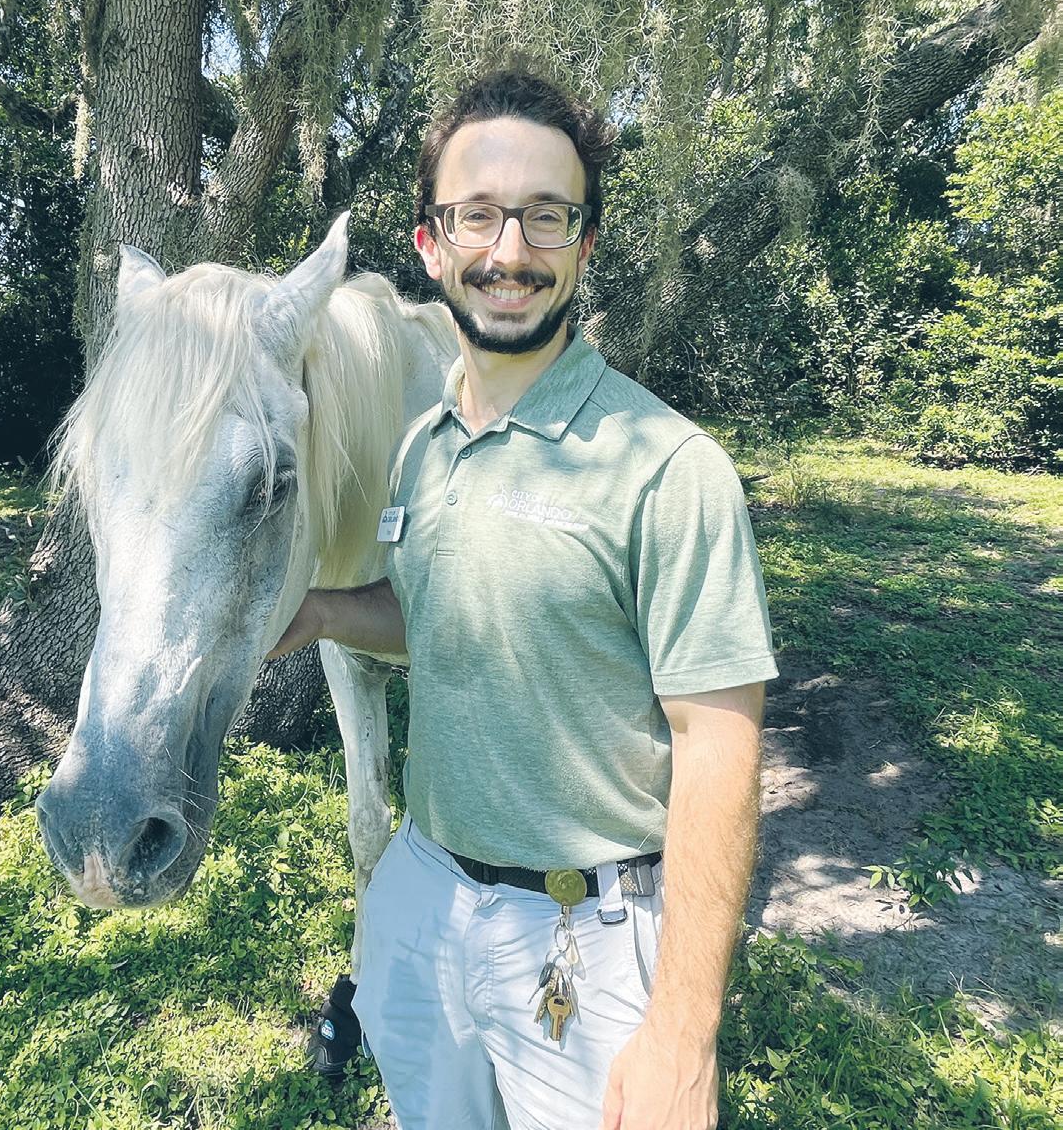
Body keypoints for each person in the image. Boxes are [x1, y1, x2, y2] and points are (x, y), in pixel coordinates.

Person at [270, 69, 777, 1130]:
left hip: (583, 927)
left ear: (585, 244)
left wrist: (683, 1033)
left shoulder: (668, 468)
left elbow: (719, 750)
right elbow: (436, 613)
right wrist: (319, 612)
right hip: (421, 891)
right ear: (430, 244)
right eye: (478, 215)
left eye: (546, 216)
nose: (509, 250)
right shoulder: (424, 447)